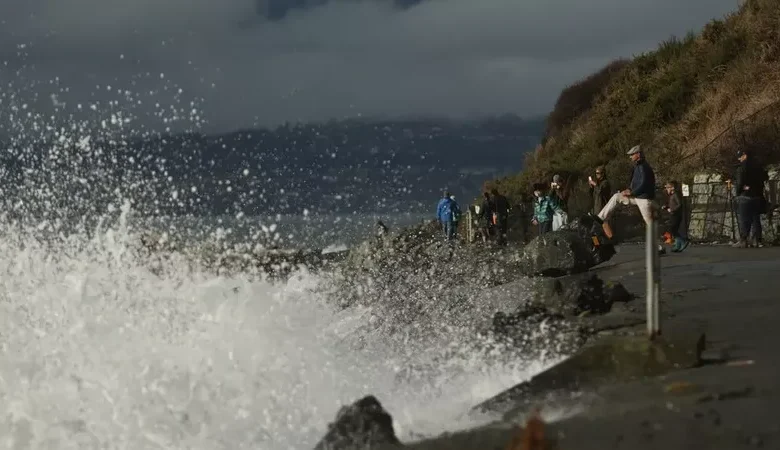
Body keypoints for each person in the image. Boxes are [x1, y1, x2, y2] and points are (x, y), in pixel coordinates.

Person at [593, 144, 664, 254]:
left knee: (649, 223)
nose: (630, 157)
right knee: (617, 197)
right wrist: (627, 190)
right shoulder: (637, 167)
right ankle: (600, 218)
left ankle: (658, 248)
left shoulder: (644, 167)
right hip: (638, 197)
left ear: (638, 154)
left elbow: (644, 184)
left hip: (644, 199)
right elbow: (635, 183)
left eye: (632, 154)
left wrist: (631, 192)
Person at [733, 150, 765, 248]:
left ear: (744, 156)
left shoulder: (742, 168)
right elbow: (763, 179)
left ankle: (744, 240)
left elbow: (740, 183)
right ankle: (756, 240)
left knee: (744, 219)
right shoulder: (758, 166)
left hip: (745, 196)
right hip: (757, 196)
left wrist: (739, 191)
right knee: (756, 218)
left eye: (740, 157)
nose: (739, 159)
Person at [662, 181, 689, 252]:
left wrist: (672, 209)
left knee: (672, 229)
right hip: (673, 214)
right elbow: (672, 204)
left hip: (675, 215)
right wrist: (666, 207)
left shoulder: (675, 194)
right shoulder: (672, 195)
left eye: (668, 187)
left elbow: (679, 204)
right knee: (674, 230)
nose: (666, 189)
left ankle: (682, 241)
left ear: (672, 188)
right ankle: (677, 245)